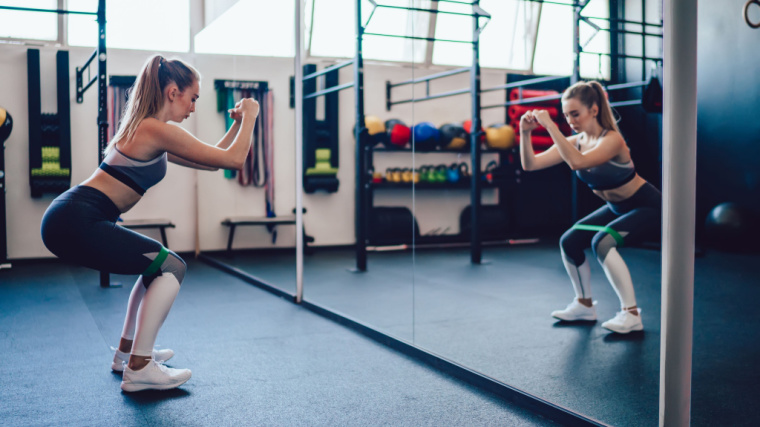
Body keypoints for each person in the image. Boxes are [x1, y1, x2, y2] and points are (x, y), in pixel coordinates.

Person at [41, 55, 259, 391]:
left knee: (155, 267)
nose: (193, 107)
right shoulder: (155, 130)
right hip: (77, 218)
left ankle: (126, 354)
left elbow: (214, 161)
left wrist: (237, 123)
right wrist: (251, 117)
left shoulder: (149, 129)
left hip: (71, 216)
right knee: (172, 267)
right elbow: (234, 160)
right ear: (173, 92)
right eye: (193, 98)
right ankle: (140, 367)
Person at [519, 80, 661, 334]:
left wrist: (550, 124)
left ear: (593, 110)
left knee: (603, 243)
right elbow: (530, 165)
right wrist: (525, 132)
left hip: (647, 205)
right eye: (565, 115)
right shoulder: (574, 142)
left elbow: (576, 163)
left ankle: (631, 314)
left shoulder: (612, 140)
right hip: (616, 206)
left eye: (575, 114)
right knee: (570, 241)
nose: (570, 120)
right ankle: (584, 306)